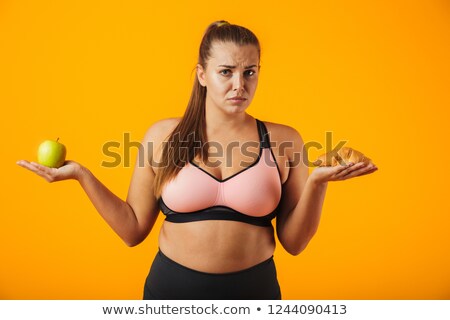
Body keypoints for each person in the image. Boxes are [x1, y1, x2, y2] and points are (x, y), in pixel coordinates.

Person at [17, 20, 378, 299]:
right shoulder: (162, 136)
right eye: (226, 72)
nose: (240, 84)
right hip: (170, 293)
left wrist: (318, 182)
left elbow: (295, 244)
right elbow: (132, 230)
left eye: (249, 72)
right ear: (203, 75)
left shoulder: (284, 140)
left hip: (254, 296)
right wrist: (81, 174)